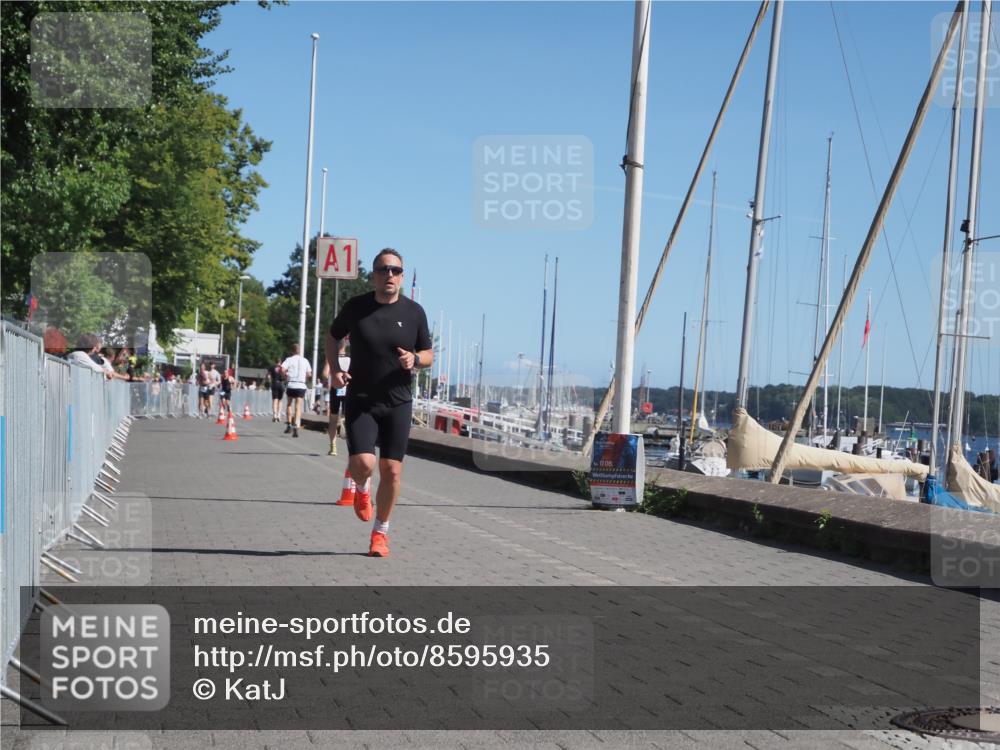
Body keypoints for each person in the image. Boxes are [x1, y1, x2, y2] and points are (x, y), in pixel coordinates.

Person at [327, 248, 432, 557]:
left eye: (396, 270)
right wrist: (334, 369)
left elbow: (428, 355)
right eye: (384, 269)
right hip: (361, 397)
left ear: (401, 275)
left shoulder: (415, 312)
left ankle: (380, 534)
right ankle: (361, 489)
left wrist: (415, 359)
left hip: (398, 401)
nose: (390, 275)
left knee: (392, 471)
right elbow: (333, 336)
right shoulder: (356, 307)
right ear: (373, 275)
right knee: (364, 464)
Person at [322, 337, 351, 456]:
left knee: (333, 419)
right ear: (345, 346)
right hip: (348, 389)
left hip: (336, 388)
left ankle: (333, 447)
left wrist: (330, 378)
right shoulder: (350, 358)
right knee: (348, 416)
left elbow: (324, 374)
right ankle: (351, 447)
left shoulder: (331, 358)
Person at [281, 343, 312, 438]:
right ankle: (296, 425)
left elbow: (282, 369)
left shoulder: (289, 360)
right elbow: (309, 374)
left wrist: (285, 376)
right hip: (301, 385)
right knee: (298, 406)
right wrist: (305, 377)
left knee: (289, 404)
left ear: (292, 351)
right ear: (299, 351)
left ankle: (289, 423)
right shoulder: (305, 360)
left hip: (291, 384)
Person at [267, 358, 286, 422]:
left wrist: (270, 383)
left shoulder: (272, 367)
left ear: (275, 362)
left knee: (275, 400)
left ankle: (274, 415)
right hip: (281, 384)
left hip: (274, 383)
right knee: (280, 400)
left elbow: (268, 376)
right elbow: (285, 376)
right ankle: (279, 415)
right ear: (280, 362)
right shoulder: (282, 368)